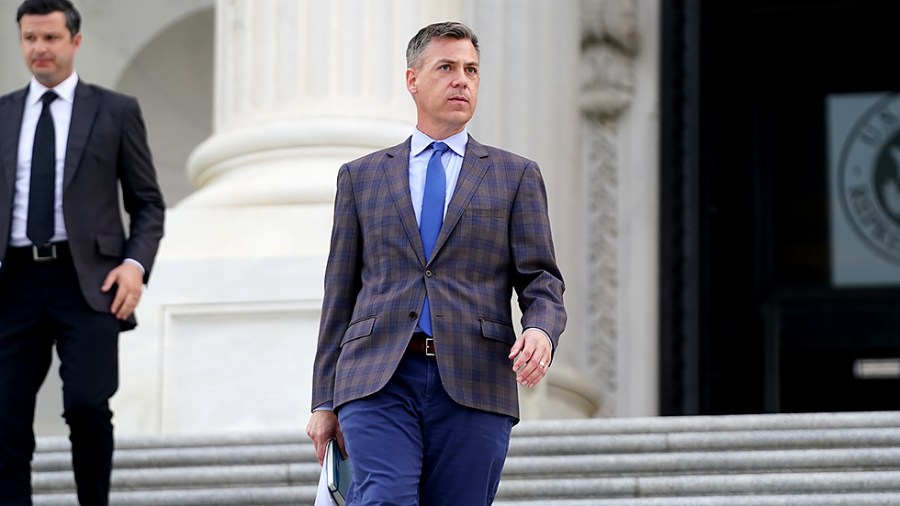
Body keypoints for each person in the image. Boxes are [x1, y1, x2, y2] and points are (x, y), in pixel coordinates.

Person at [307, 21, 566, 505]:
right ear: (413, 80)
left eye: (471, 70)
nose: (461, 80)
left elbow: (542, 280)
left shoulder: (515, 176)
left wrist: (541, 330)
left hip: (476, 377)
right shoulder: (361, 178)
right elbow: (339, 294)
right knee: (383, 498)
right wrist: (324, 399)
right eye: (446, 67)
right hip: (377, 375)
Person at [0, 0, 165, 504]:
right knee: (5, 416)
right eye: (30, 38)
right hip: (14, 285)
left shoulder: (115, 110)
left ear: (75, 40)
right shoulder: (2, 113)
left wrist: (134, 267)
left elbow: (148, 204)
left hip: (89, 281)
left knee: (88, 407)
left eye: (50, 38)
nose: (38, 49)